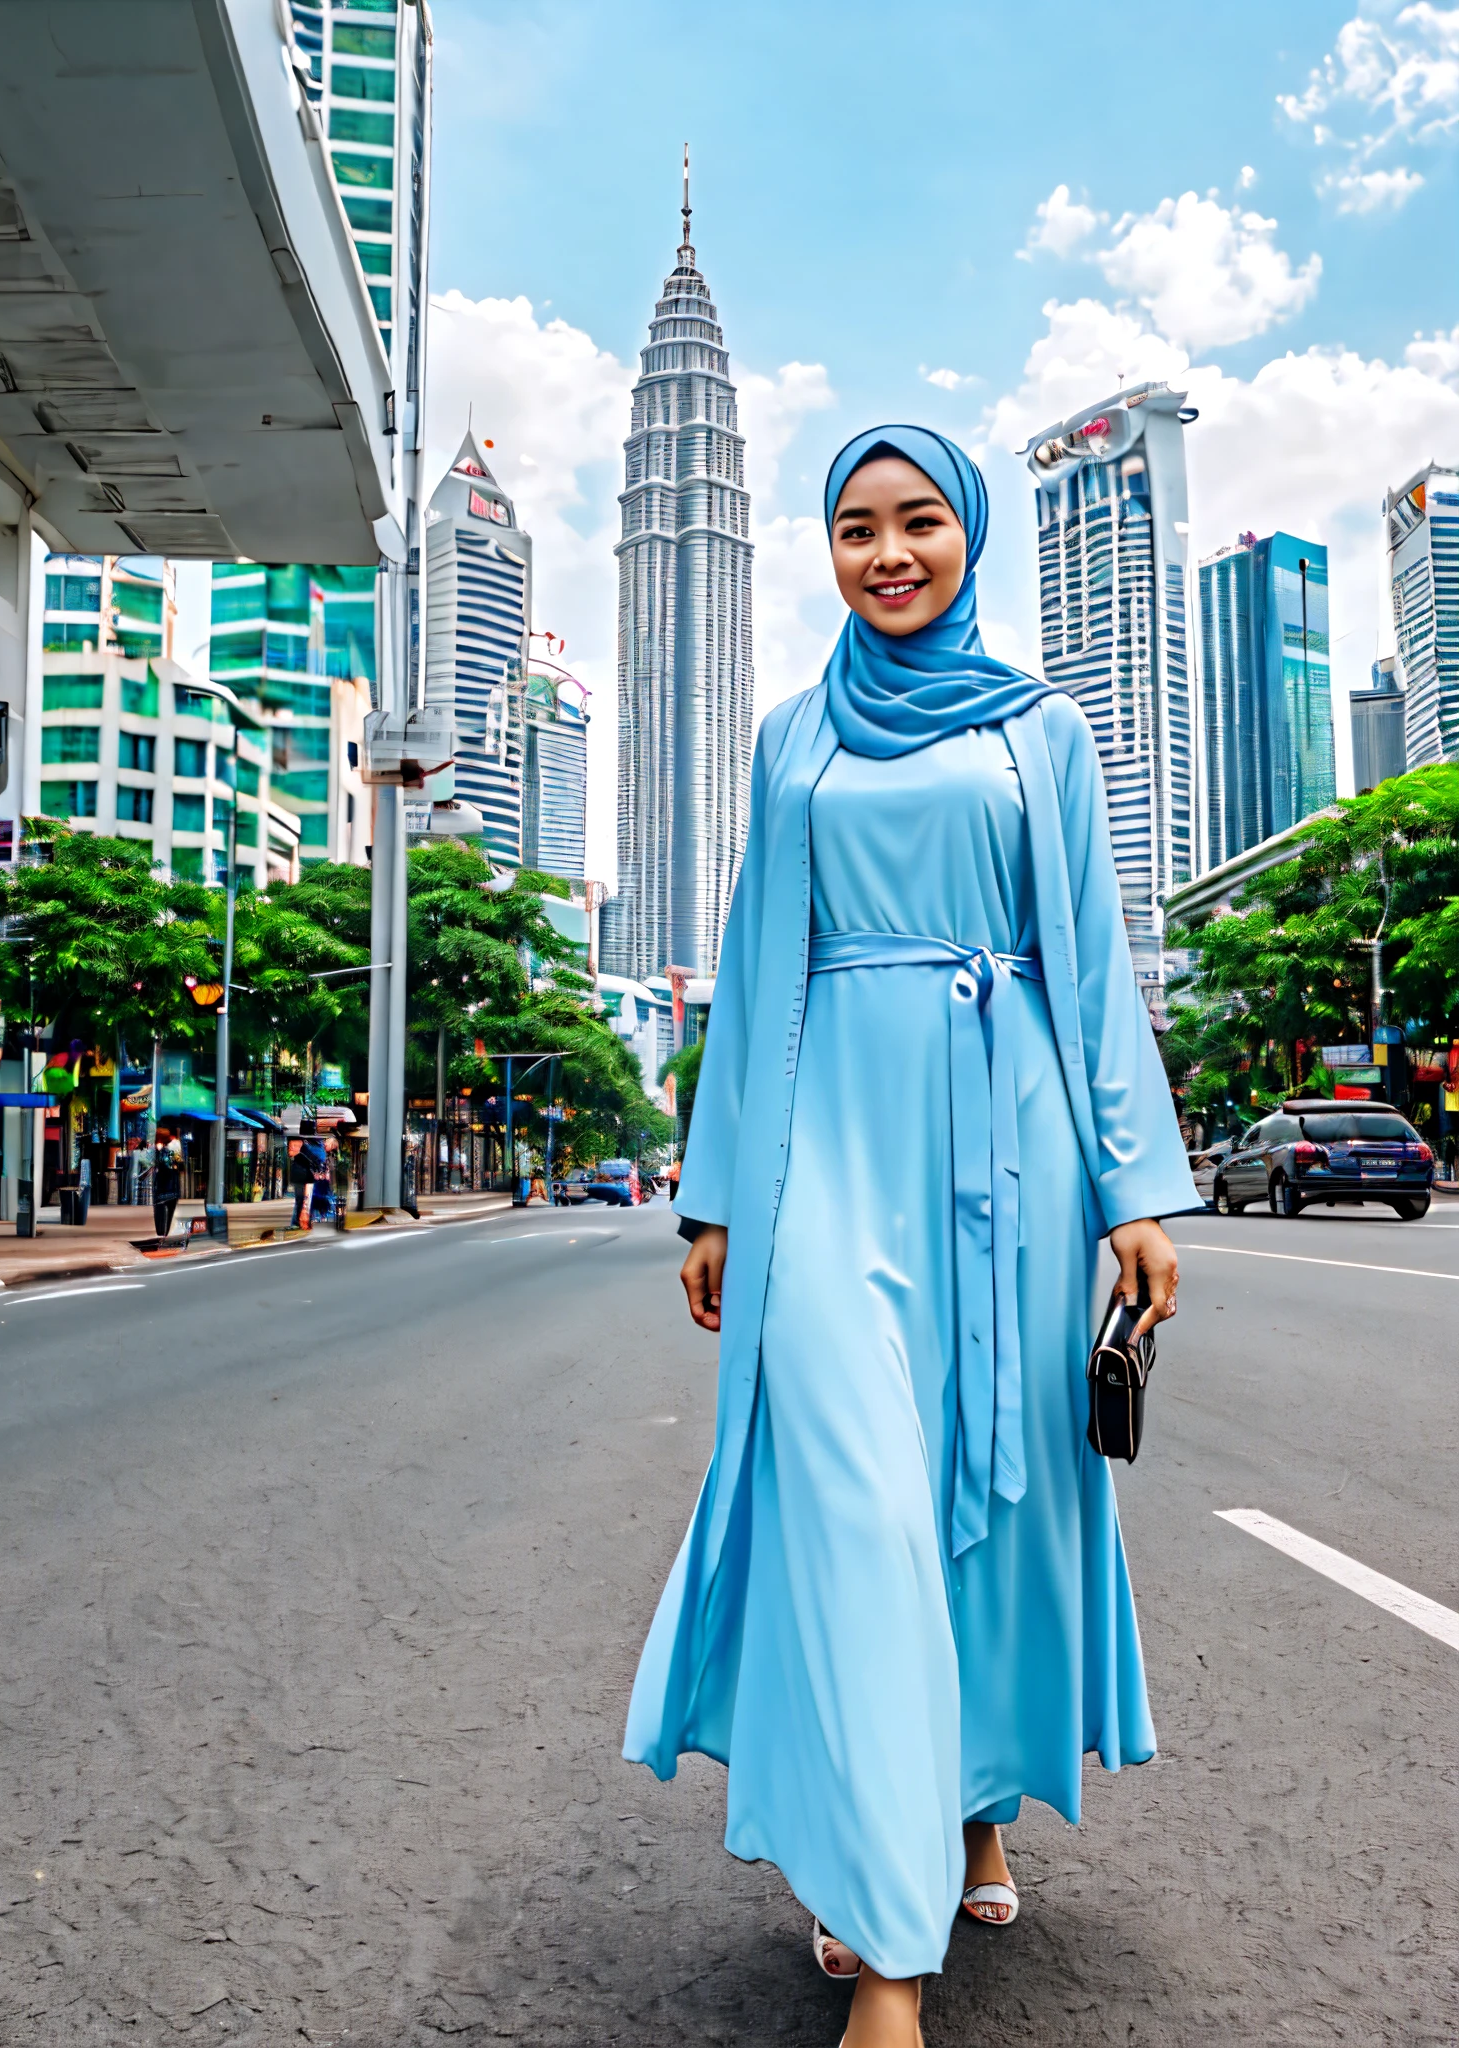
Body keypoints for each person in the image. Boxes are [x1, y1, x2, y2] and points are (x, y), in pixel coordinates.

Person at [624, 426, 1192, 2048]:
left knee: (983, 1500)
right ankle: (888, 1950)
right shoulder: (790, 735)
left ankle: (968, 1804)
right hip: (825, 1151)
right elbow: (754, 958)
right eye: (856, 528)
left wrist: (1130, 1187)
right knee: (858, 1503)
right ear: (824, 546)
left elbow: (1085, 968)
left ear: (967, 535)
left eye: (918, 522)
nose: (888, 553)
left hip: (1003, 1157)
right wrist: (716, 1187)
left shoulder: (1042, 731)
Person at [152, 1129, 183, 1238]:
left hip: (162, 1185)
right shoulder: (171, 1151)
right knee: (170, 1210)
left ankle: (161, 1232)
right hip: (171, 1185)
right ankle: (165, 1232)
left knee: (160, 1210)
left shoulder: (159, 1151)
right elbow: (178, 1164)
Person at [286, 1136, 315, 1229]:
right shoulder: (303, 1155)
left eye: (295, 1145)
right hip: (300, 1179)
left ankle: (297, 1222)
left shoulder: (303, 1154)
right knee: (301, 1200)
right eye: (293, 1145)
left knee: (301, 1200)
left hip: (302, 1179)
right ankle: (297, 1221)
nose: (293, 1148)